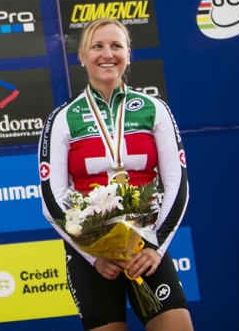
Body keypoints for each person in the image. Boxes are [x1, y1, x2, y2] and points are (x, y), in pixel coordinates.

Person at [39, 18, 193, 331]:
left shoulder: (154, 109)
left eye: (116, 46)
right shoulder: (62, 118)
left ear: (128, 54)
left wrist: (154, 248)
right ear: (82, 56)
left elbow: (177, 183)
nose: (107, 54)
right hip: (92, 257)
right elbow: (51, 198)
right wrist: (93, 254)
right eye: (97, 46)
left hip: (145, 248)